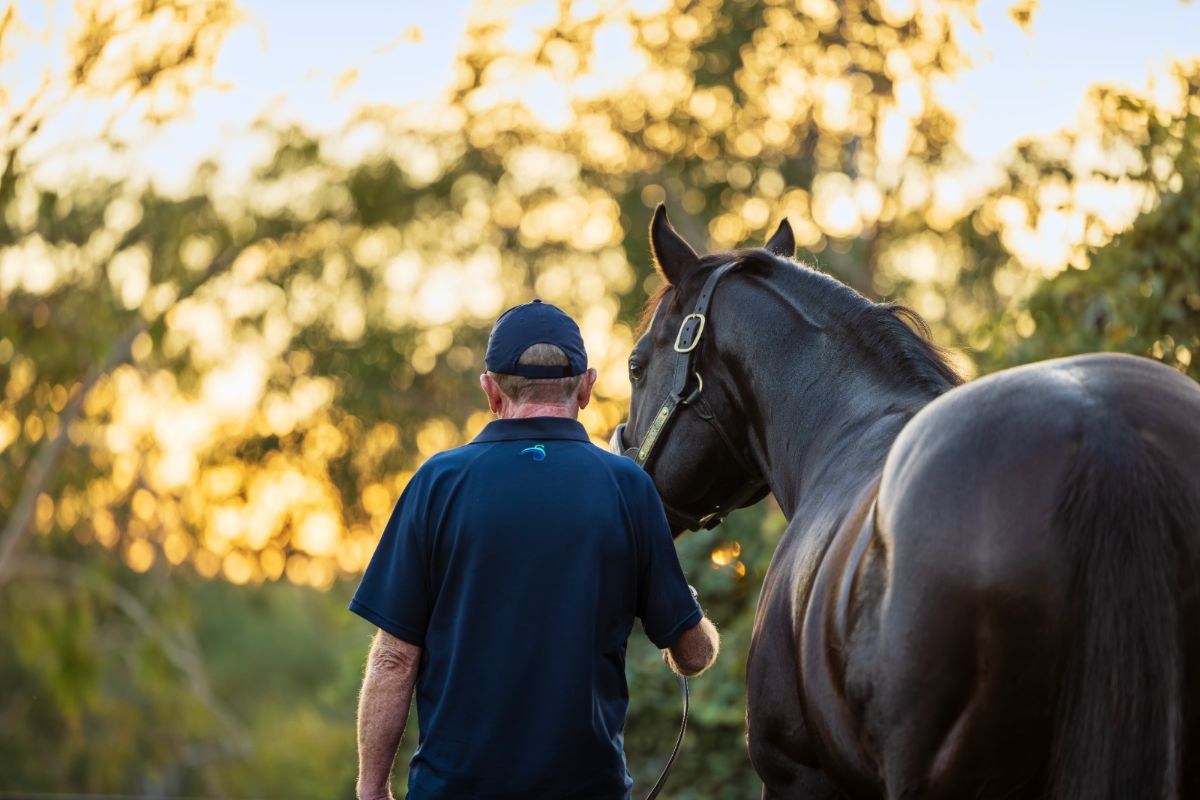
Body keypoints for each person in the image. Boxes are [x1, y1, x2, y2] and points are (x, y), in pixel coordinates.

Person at [350, 299, 720, 800]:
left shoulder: (437, 483)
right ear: (586, 388)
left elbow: (393, 660)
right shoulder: (627, 487)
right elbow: (693, 655)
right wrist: (686, 605)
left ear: (490, 390)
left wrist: (372, 790)